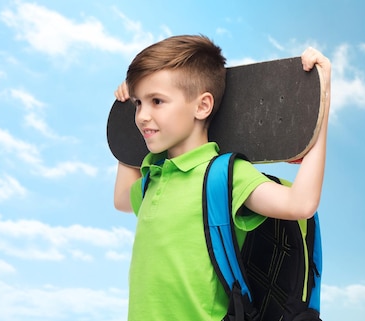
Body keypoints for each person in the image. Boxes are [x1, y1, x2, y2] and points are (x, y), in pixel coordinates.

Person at [112, 35, 331, 320]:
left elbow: (299, 204)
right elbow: (121, 200)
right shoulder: (153, 177)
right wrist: (123, 115)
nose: (142, 115)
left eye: (157, 101)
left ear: (202, 106)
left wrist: (320, 107)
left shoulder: (223, 176)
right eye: (139, 104)